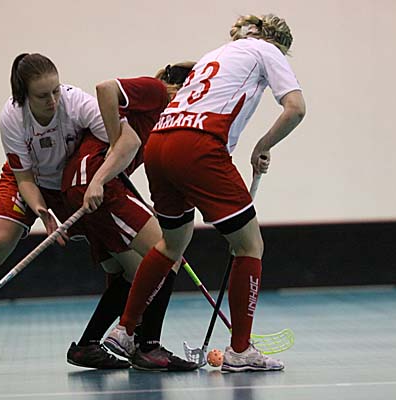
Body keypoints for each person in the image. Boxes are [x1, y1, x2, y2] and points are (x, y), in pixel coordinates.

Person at [105, 14, 306, 373]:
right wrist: (263, 145)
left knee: (170, 244)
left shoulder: (217, 54)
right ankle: (240, 351)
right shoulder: (266, 51)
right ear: (278, 44)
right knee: (249, 245)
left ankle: (124, 330)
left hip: (159, 142)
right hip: (198, 146)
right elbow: (296, 109)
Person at [0, 53, 114, 368]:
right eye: (42, 96)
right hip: (28, 181)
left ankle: (126, 335)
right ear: (23, 96)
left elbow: (118, 139)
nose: (53, 101)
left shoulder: (77, 103)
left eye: (56, 90)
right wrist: (43, 212)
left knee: (117, 256)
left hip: (72, 181)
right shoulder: (12, 118)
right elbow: (25, 178)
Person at [63, 63, 200, 371]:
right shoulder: (155, 91)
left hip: (88, 183)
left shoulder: (166, 120)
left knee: (135, 271)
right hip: (95, 181)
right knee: (168, 255)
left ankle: (87, 346)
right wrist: (115, 144)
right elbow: (105, 88)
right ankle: (148, 346)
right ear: (177, 86)